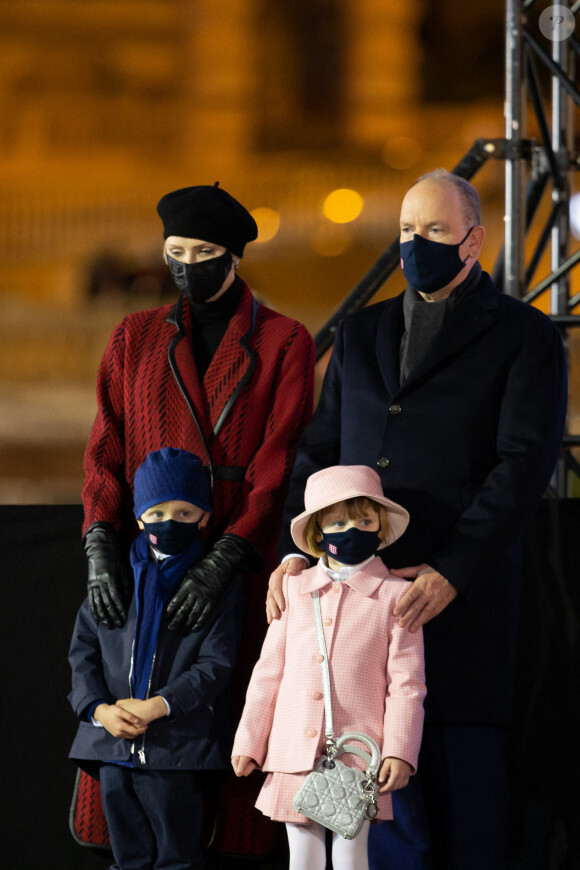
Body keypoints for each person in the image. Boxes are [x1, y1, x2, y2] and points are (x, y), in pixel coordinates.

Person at [266, 170, 568, 869]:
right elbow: (319, 449)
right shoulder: (363, 331)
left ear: (474, 240)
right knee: (363, 811)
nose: (415, 244)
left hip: (461, 608)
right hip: (354, 621)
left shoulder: (525, 337)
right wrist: (294, 549)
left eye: (433, 231)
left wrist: (453, 570)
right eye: (407, 230)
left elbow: (523, 465)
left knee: (467, 801)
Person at [82, 181, 315, 640]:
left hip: (239, 550)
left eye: (204, 251)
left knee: (233, 687)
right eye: (176, 251)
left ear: (233, 256)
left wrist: (224, 560)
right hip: (147, 552)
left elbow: (281, 460)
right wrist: (99, 543)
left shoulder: (284, 341)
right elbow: (105, 449)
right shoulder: (134, 335)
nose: (188, 265)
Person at [232, 465, 426, 870]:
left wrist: (400, 751)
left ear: (380, 525)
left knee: (352, 854)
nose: (351, 529)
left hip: (359, 750)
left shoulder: (397, 595)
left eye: (364, 519)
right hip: (293, 749)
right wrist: (249, 739)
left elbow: (407, 685)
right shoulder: (294, 589)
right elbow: (269, 671)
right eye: (337, 521)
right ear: (319, 533)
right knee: (301, 855)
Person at [69, 447, 242, 870]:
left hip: (177, 750)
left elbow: (215, 664)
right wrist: (98, 710)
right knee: (126, 855)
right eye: (158, 512)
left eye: (186, 513)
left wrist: (160, 705)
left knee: (177, 856)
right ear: (140, 516)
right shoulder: (114, 576)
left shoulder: (217, 583)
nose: (171, 522)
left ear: (204, 517)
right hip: (111, 744)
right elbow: (83, 652)